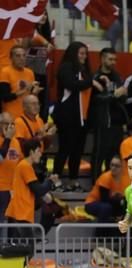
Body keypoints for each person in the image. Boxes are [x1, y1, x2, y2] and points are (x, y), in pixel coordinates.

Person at [52, 42, 92, 191]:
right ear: (73, 53)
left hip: (83, 117)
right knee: (65, 148)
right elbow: (71, 84)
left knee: (77, 150)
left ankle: (73, 180)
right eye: (81, 53)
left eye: (85, 54)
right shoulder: (66, 67)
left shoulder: (86, 70)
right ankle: (55, 178)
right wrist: (91, 81)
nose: (84, 57)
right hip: (67, 115)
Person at [5, 140, 58, 235]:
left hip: (21, 211)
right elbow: (38, 190)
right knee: (28, 246)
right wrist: (50, 181)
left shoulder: (25, 166)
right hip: (21, 212)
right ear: (31, 152)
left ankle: (38, 234)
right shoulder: (25, 166)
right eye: (38, 151)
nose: (40, 154)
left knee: (26, 246)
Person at [90, 48, 128, 181]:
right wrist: (114, 95)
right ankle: (95, 183)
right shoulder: (96, 77)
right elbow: (95, 99)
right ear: (102, 59)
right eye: (110, 59)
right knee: (99, 154)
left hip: (117, 122)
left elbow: (123, 98)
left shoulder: (117, 76)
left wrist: (121, 94)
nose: (113, 62)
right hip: (102, 121)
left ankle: (110, 183)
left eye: (115, 59)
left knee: (113, 156)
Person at [0, 45, 40, 120]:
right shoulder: (5, 72)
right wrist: (24, 90)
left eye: (24, 55)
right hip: (11, 116)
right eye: (18, 56)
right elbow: (5, 97)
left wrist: (35, 92)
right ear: (11, 58)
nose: (22, 58)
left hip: (28, 115)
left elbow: (31, 95)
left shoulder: (30, 72)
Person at [84, 155, 127, 222]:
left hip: (111, 203)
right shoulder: (105, 177)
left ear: (122, 167)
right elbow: (104, 199)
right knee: (106, 208)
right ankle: (100, 232)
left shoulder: (125, 180)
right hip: (92, 203)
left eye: (117, 166)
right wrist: (119, 201)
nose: (113, 168)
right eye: (112, 165)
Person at [0, 113, 22, 222]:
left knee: (12, 224)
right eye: (6, 124)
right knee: (2, 222)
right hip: (1, 189)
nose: (9, 127)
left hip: (13, 190)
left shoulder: (16, 142)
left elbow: (20, 163)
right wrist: (7, 138)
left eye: (12, 124)